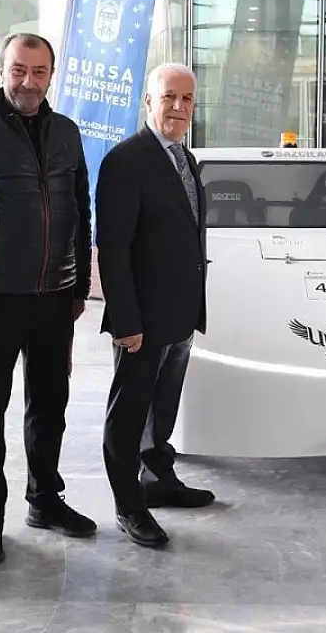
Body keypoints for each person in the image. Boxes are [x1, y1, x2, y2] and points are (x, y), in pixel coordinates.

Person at [0, 32, 94, 566]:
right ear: (2, 69)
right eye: (19, 70)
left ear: (51, 74)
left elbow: (81, 210)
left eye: (39, 71)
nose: (29, 81)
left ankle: (44, 499)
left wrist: (78, 285)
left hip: (55, 296)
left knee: (51, 405)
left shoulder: (67, 131)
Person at [97, 62, 215, 548]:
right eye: (169, 97)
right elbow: (114, 249)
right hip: (141, 318)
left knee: (161, 408)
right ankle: (129, 505)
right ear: (149, 101)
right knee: (128, 413)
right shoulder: (126, 161)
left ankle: (158, 480)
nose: (179, 107)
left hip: (180, 313)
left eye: (187, 99)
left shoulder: (186, 158)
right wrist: (126, 320)